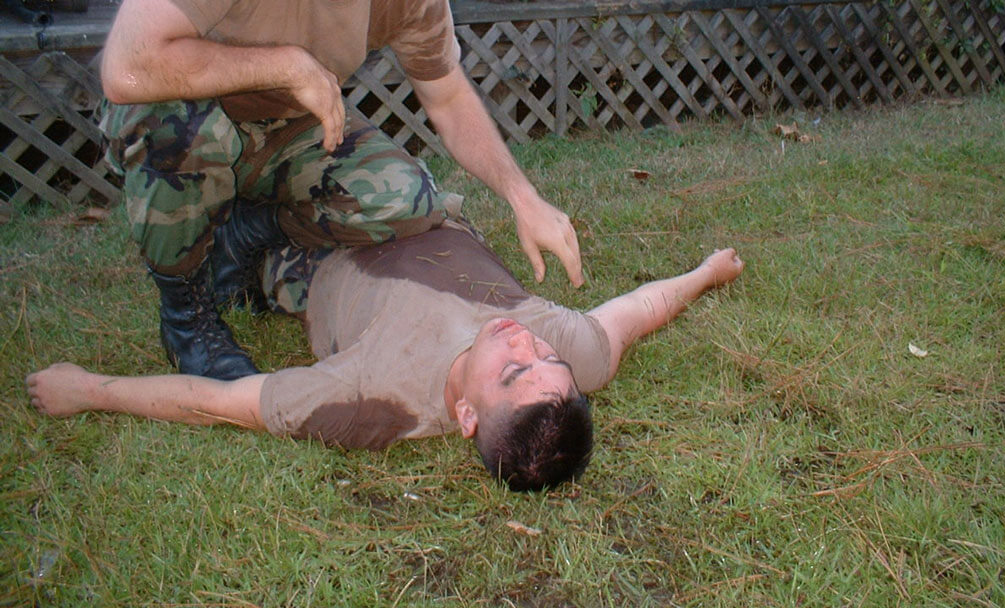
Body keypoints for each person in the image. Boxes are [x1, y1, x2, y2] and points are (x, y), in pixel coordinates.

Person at [27, 217, 745, 491]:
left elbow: (217, 403)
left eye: (514, 371)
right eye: (546, 362)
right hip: (419, 211)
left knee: (269, 245)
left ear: (466, 415)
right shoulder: (574, 358)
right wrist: (709, 272)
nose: (528, 344)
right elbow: (638, 313)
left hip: (326, 256)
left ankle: (254, 240)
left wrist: (88, 387)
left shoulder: (367, 403)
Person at [97, 0, 585, 381]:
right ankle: (186, 312)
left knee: (407, 199)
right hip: (185, 112)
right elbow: (128, 66)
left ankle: (242, 235)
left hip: (292, 126)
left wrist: (523, 197)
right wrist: (288, 67)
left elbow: (449, 97)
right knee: (181, 132)